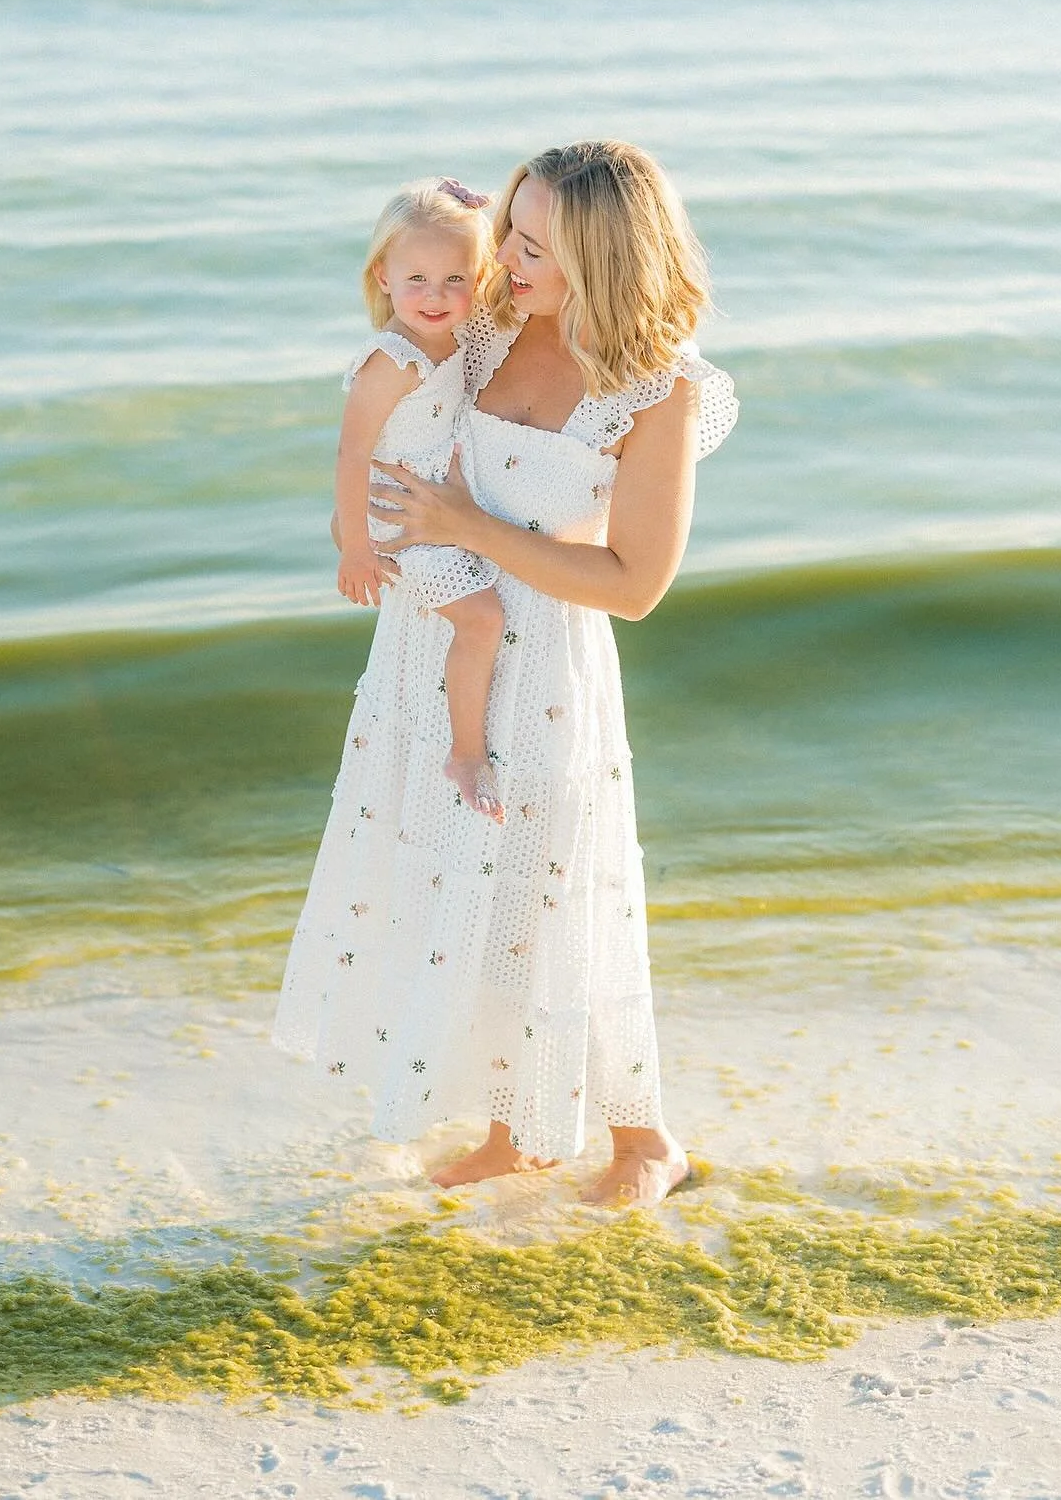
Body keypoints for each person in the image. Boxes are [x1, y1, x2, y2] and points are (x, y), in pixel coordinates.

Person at [273, 141, 737, 1208]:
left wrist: (466, 523)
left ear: (602, 257)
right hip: (434, 647)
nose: (505, 260)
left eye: (533, 245)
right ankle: (521, 1127)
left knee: (556, 891)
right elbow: (395, 353)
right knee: (465, 888)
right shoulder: (482, 326)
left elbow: (632, 582)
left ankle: (643, 1137)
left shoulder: (656, 385)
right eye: (510, 234)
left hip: (549, 665)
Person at [333, 176, 508, 821]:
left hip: (432, 504)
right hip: (400, 519)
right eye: (417, 280)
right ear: (383, 275)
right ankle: (466, 753)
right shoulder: (395, 359)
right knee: (482, 617)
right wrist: (356, 546)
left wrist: (481, 209)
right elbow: (352, 454)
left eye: (455, 281)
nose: (436, 296)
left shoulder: (459, 335)